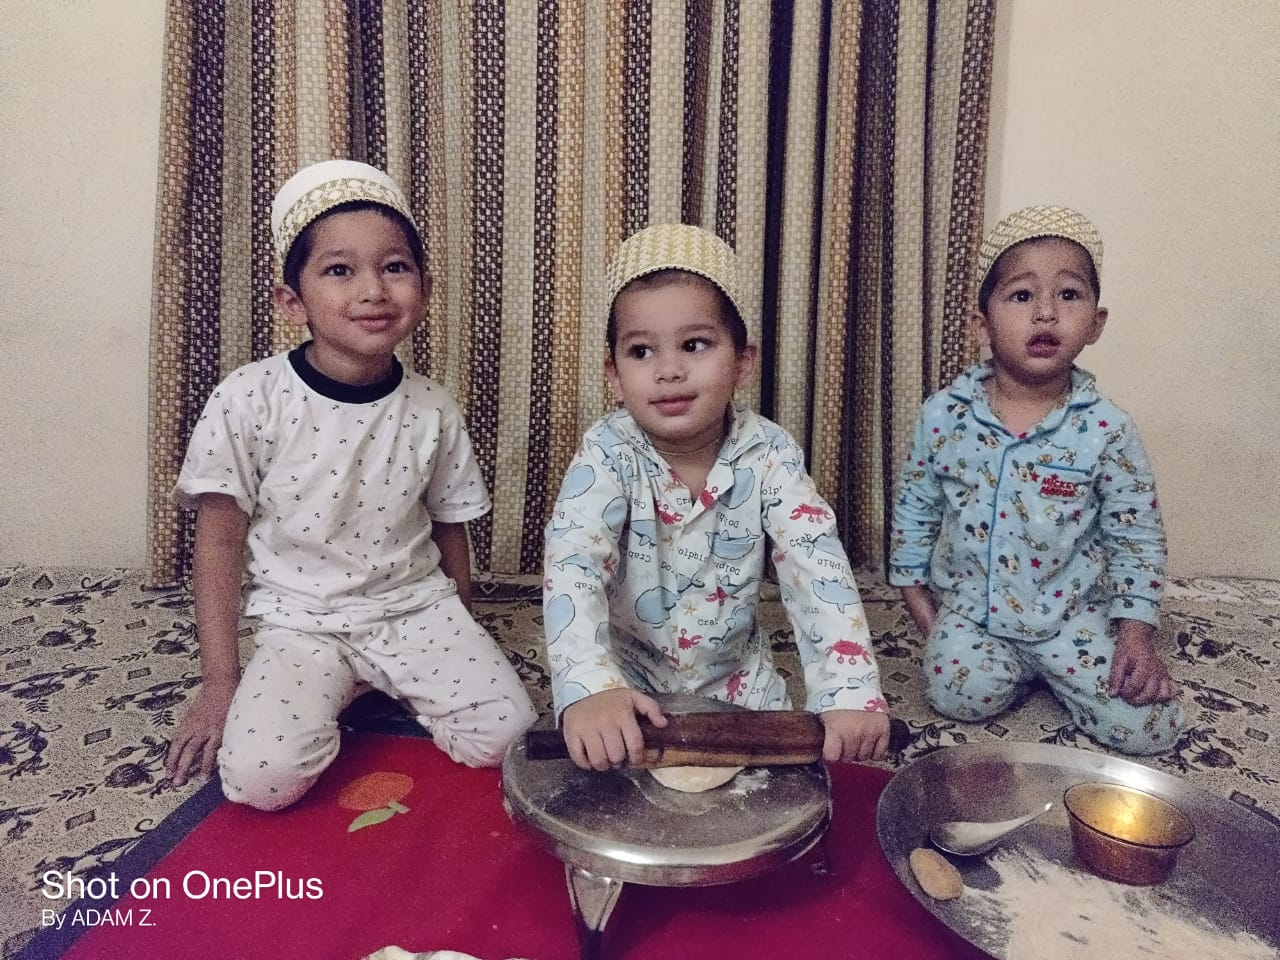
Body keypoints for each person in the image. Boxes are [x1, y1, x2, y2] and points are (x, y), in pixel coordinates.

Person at [164, 159, 535, 809]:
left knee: (509, 737)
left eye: (394, 267)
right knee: (259, 779)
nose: (373, 290)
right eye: (340, 270)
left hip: (415, 610)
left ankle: (374, 681)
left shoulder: (432, 408)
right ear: (292, 301)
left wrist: (462, 630)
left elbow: (450, 528)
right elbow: (218, 545)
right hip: (301, 624)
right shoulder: (248, 400)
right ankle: (339, 683)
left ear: (423, 288)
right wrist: (220, 682)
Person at [543, 223, 891, 771]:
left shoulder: (769, 453)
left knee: (791, 783)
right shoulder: (605, 454)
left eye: (694, 345)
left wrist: (849, 689)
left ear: (742, 362)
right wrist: (589, 685)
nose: (669, 370)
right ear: (614, 375)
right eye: (641, 351)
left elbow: (816, 566)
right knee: (604, 776)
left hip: (738, 679)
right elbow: (573, 566)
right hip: (628, 677)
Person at [888, 205, 1184, 755]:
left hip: (1073, 617)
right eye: (1022, 296)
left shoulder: (1107, 429)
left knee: (1151, 729)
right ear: (981, 324)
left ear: (1095, 323)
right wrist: (922, 606)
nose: (1046, 313)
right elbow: (916, 506)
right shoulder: (944, 415)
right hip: (974, 613)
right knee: (955, 694)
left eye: (1068, 295)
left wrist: (1136, 634)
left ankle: (1056, 669)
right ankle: (1009, 668)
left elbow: (1137, 535)